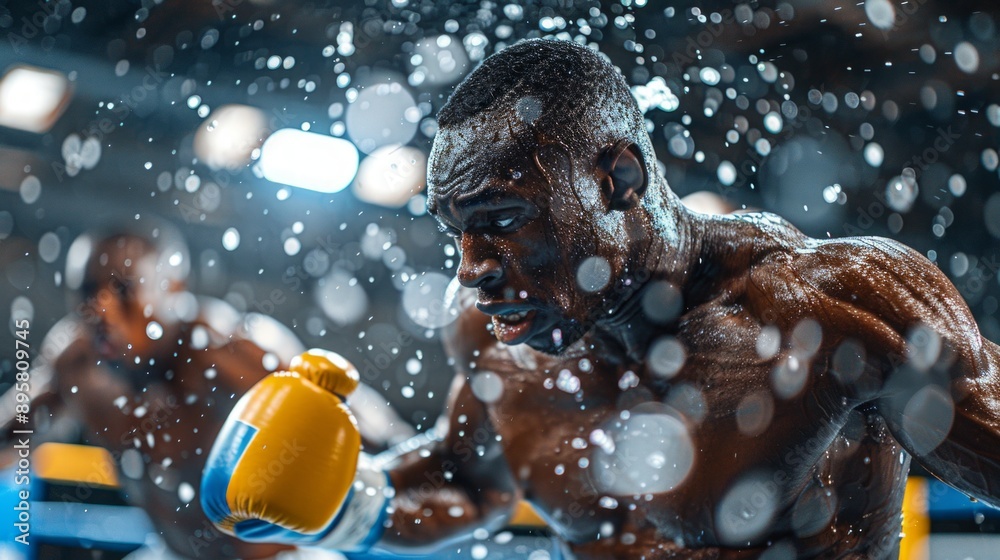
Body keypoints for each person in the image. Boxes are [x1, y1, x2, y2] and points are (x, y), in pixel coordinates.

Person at [201, 39, 1000, 559]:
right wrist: (352, 499)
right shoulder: (498, 341)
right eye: (456, 234)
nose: (473, 268)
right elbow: (469, 481)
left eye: (502, 221)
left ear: (615, 181)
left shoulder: (819, 314)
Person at [1, 229, 409, 560]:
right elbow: (9, 436)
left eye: (124, 290)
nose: (102, 311)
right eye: (88, 292)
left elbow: (374, 428)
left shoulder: (229, 349)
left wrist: (443, 478)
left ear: (172, 287)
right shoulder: (73, 364)